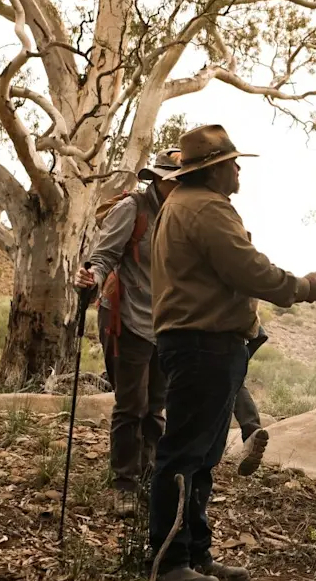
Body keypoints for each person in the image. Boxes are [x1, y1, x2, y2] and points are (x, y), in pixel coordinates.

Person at [145, 124, 316, 581]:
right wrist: (301, 288)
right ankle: (170, 562)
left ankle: (195, 554)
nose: (238, 169)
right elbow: (246, 268)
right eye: (232, 162)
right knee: (186, 455)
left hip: (200, 342)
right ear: (212, 169)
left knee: (201, 456)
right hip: (203, 344)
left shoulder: (183, 205)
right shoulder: (206, 208)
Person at [75, 153, 271, 519]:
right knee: (130, 405)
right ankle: (124, 485)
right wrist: (91, 279)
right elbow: (103, 258)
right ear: (158, 179)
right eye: (174, 178)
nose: (179, 184)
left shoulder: (187, 213)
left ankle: (152, 477)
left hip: (171, 325)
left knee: (157, 407)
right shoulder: (133, 209)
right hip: (128, 317)